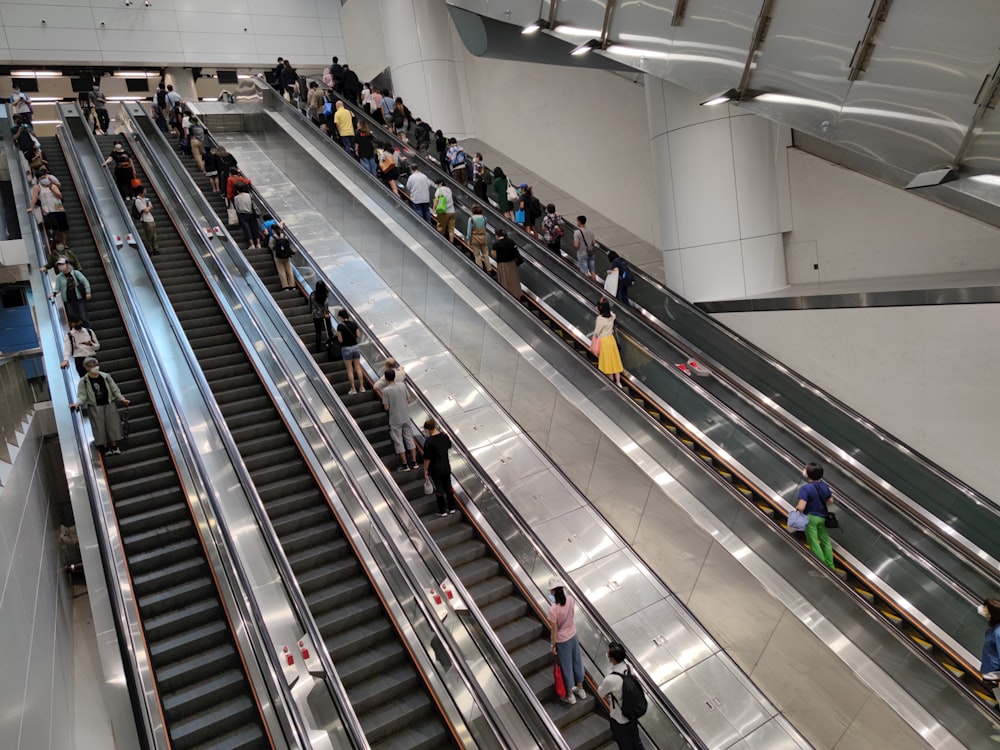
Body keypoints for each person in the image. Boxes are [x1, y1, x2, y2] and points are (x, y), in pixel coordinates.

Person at [73, 357, 130, 455]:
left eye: (96, 365)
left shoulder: (106, 376)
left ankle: (115, 446)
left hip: (109, 403)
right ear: (86, 368)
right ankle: (105, 447)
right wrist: (78, 403)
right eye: (92, 366)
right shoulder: (84, 381)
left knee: (112, 424)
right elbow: (82, 395)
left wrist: (121, 399)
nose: (95, 367)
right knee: (99, 427)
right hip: (94, 406)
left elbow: (114, 389)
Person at [598, 643, 645, 750]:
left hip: (619, 718)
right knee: (636, 741)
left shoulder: (611, 679)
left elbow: (600, 693)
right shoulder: (629, 668)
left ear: (613, 659)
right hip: (632, 713)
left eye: (608, 654)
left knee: (624, 745)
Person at [547, 576, 585, 705]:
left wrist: (553, 644)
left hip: (562, 640)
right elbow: (572, 615)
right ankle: (580, 689)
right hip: (573, 635)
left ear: (552, 591)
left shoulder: (553, 609)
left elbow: (554, 629)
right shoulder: (570, 600)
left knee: (566, 666)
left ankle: (570, 694)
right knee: (577, 661)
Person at [796, 462, 835, 570]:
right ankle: (830, 565)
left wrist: (798, 510)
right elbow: (831, 500)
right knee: (825, 541)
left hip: (810, 518)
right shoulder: (824, 486)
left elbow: (801, 507)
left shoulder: (806, 488)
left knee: (814, 542)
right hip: (822, 517)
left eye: (805, 469)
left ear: (808, 474)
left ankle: (822, 568)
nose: (804, 470)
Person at [382, 369, 418, 472]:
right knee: (409, 439)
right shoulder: (402, 385)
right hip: (406, 416)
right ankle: (414, 462)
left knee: (398, 441)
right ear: (394, 376)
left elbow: (386, 407)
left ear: (385, 378)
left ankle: (405, 465)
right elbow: (409, 400)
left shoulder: (386, 391)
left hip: (395, 419)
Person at [423, 417, 457, 516]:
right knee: (448, 487)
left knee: (439, 489)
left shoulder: (429, 441)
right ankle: (452, 507)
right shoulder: (444, 436)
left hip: (435, 468)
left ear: (428, 429)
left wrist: (425, 470)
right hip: (446, 466)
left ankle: (442, 510)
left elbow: (427, 459)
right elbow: (449, 446)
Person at [27, 173, 69, 250]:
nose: (44, 179)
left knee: (63, 228)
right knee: (53, 228)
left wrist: (51, 188)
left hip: (59, 209)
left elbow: (59, 196)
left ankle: (64, 244)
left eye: (45, 177)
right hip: (48, 210)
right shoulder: (37, 187)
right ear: (39, 179)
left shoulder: (53, 186)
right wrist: (31, 207)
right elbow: (34, 198)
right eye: (42, 178)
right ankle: (52, 243)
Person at [590, 298, 624, 387]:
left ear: (600, 308)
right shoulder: (611, 316)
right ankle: (618, 382)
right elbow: (613, 313)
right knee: (615, 361)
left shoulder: (600, 319)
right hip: (611, 340)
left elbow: (597, 332)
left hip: (604, 342)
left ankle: (611, 383)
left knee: (608, 363)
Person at [50, 260, 91, 326]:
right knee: (71, 317)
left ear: (67, 264)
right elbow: (57, 288)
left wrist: (88, 292)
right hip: (68, 300)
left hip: (78, 298)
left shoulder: (75, 273)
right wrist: (53, 293)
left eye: (62, 264)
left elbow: (85, 282)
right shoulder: (59, 277)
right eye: (59, 265)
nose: (61, 266)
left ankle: (88, 331)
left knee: (83, 316)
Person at [336, 308, 366, 394]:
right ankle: (362, 387)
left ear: (341, 317)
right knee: (358, 367)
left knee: (350, 369)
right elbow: (358, 335)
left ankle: (353, 389)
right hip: (355, 347)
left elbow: (340, 340)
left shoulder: (340, 326)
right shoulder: (353, 324)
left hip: (346, 348)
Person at [978, 598, 1000, 705]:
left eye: (985, 609)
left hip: (994, 676)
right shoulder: (993, 629)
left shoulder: (998, 632)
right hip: (990, 674)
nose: (981, 609)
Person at [491, 229, 522, 299]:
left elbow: (494, 255)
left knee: (505, 280)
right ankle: (517, 295)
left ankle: (507, 297)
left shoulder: (496, 244)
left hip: (503, 265)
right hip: (512, 263)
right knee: (514, 279)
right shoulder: (511, 241)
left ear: (497, 235)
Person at [133, 186, 160, 256]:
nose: (145, 192)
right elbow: (146, 210)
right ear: (141, 192)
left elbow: (150, 207)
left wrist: (149, 207)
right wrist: (149, 207)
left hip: (151, 219)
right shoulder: (138, 201)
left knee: (154, 236)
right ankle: (150, 250)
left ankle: (156, 249)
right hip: (145, 220)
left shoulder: (145, 199)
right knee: (149, 236)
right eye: (144, 190)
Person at [309, 280, 334, 353]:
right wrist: (325, 312)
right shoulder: (325, 294)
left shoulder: (313, 294)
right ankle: (330, 345)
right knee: (329, 330)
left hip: (316, 315)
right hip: (325, 314)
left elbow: (310, 304)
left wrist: (312, 311)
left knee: (318, 331)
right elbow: (326, 305)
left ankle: (318, 348)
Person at [232, 185, 261, 249]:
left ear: (237, 190)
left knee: (246, 229)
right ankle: (258, 243)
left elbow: (236, 207)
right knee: (255, 228)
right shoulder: (249, 195)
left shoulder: (236, 198)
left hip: (243, 214)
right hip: (252, 213)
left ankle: (252, 244)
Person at [270, 224, 296, 290]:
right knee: (289, 270)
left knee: (281, 272)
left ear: (273, 230)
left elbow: (271, 246)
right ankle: (292, 285)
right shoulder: (284, 236)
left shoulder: (272, 238)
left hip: (278, 257)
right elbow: (288, 245)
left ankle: (285, 286)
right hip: (286, 256)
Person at [574, 215, 598, 282]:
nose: (576, 222)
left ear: (579, 222)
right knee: (593, 271)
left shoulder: (577, 232)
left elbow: (576, 245)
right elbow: (593, 242)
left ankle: (587, 285)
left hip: (582, 254)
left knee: (585, 272)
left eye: (577, 221)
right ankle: (595, 284)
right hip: (590, 253)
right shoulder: (590, 231)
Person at [468, 204, 490, 272]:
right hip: (483, 237)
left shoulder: (471, 219)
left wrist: (468, 239)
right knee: (486, 254)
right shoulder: (484, 218)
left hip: (475, 238)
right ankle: (489, 269)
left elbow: (469, 231)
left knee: (477, 255)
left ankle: (480, 269)